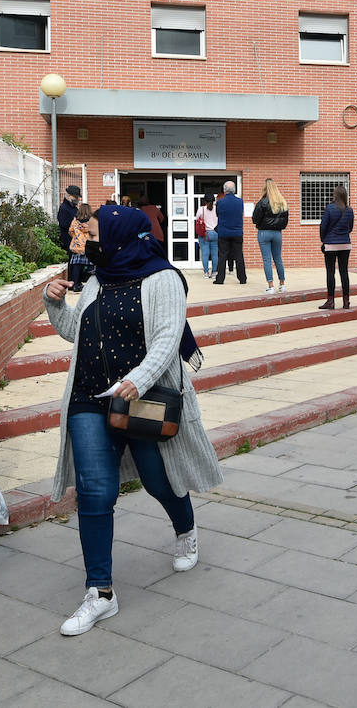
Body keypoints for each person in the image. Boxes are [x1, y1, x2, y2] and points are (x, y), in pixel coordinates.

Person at [43, 205, 223, 636]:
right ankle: (100, 592)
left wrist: (138, 380)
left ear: (122, 234)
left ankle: (186, 529)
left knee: (158, 480)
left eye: (95, 232)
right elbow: (77, 331)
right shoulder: (98, 278)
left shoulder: (163, 278)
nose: (89, 240)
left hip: (142, 399)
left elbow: (166, 336)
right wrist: (54, 304)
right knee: (94, 491)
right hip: (89, 396)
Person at [318, 185, 354, 309]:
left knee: (330, 272)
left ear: (335, 195)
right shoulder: (350, 210)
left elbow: (323, 226)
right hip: (345, 244)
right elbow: (350, 228)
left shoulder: (330, 208)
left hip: (331, 245)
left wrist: (324, 239)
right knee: (344, 272)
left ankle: (330, 301)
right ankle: (346, 301)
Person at [252, 178, 290, 293]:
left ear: (265, 188)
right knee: (278, 258)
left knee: (267, 260)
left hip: (264, 233)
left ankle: (271, 286)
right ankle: (282, 284)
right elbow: (286, 220)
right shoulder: (282, 202)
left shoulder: (262, 202)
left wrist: (260, 224)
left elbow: (255, 219)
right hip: (277, 233)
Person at [213, 181, 246, 285]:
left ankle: (220, 279)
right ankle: (242, 278)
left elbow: (218, 214)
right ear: (234, 190)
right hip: (237, 233)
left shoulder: (220, 202)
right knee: (239, 256)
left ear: (224, 190)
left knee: (222, 256)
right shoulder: (240, 202)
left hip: (224, 232)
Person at [68, 202, 93, 288]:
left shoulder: (75, 221)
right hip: (88, 246)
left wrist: (76, 237)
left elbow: (70, 231)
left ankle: (76, 285)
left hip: (77, 246)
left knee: (77, 265)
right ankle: (91, 286)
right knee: (91, 265)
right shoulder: (92, 221)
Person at [194, 193, 219, 279]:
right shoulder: (217, 209)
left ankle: (206, 272)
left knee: (205, 254)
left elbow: (197, 219)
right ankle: (214, 272)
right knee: (215, 254)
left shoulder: (201, 209)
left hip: (204, 234)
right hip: (215, 233)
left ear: (204, 201)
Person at [57, 184, 82, 250]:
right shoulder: (64, 208)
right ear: (69, 196)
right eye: (75, 197)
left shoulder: (74, 208)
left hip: (75, 239)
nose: (77, 199)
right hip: (68, 241)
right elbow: (64, 224)